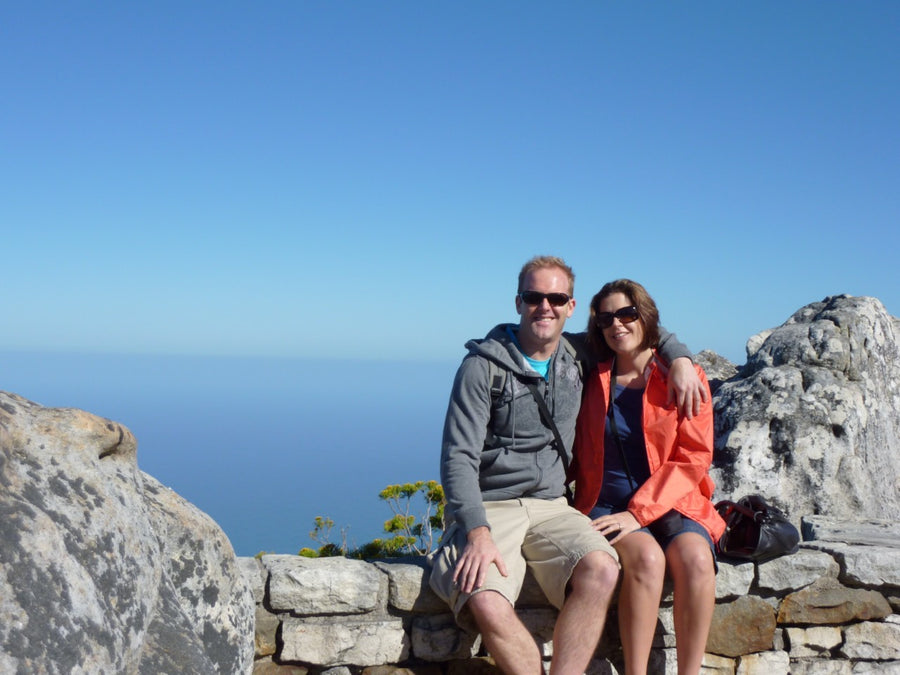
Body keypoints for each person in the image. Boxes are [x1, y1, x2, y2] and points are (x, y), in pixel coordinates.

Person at [429, 257, 706, 675]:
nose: (545, 307)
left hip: (552, 504)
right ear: (518, 302)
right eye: (534, 297)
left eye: (556, 298)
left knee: (600, 570)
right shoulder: (481, 367)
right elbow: (458, 456)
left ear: (572, 307)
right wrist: (476, 530)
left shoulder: (578, 352)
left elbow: (637, 327)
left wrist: (679, 357)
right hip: (492, 505)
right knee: (484, 596)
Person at [570, 278, 726, 675]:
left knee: (695, 560)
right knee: (648, 560)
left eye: (627, 313)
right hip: (605, 502)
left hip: (672, 500)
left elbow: (693, 456)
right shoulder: (590, 374)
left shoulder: (685, 378)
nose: (617, 325)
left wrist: (679, 360)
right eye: (606, 318)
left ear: (645, 316)